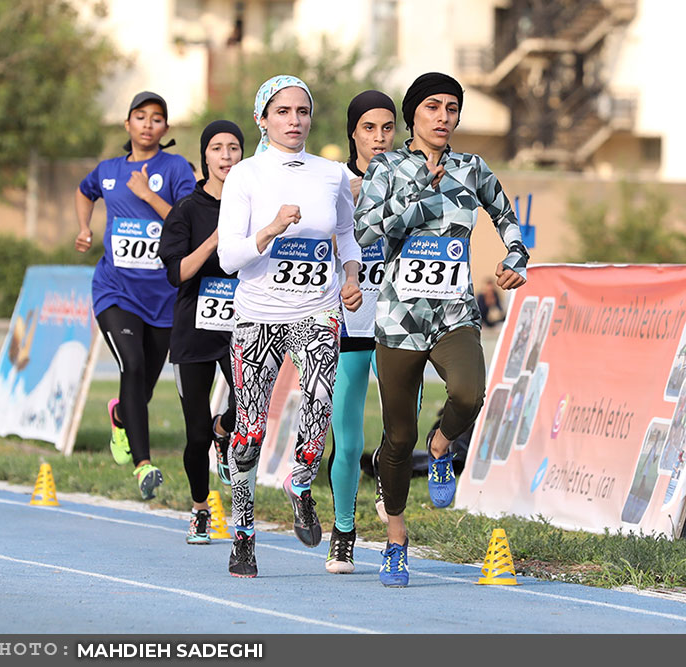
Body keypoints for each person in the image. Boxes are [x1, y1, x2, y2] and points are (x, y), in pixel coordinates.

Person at [355, 72, 529, 587]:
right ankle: (396, 540)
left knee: (469, 394)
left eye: (452, 108)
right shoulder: (386, 166)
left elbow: (505, 215)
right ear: (413, 115)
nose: (444, 117)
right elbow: (365, 232)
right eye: (433, 107)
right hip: (399, 317)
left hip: (454, 311)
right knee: (396, 434)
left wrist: (516, 255)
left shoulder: (471, 169)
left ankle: (440, 446)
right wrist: (418, 198)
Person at [217, 75, 363, 578]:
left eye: (302, 112)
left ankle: (300, 482)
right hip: (257, 314)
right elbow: (228, 256)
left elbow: (346, 233)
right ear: (262, 118)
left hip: (316, 310)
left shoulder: (331, 174)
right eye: (282, 112)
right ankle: (243, 536)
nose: (294, 121)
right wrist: (271, 230)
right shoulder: (245, 176)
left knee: (319, 408)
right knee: (250, 432)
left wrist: (350, 275)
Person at [75, 91, 196, 500]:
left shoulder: (176, 167)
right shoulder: (108, 170)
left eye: (157, 118)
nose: (147, 124)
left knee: (142, 386)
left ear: (166, 128)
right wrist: (85, 228)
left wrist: (147, 195)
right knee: (132, 364)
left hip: (162, 295)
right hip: (115, 290)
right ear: (127, 125)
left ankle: (121, 415)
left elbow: (185, 221)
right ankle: (143, 466)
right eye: (139, 117)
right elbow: (83, 190)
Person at [158, 119, 244, 544]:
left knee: (250, 409)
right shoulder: (187, 210)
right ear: (204, 156)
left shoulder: (252, 203)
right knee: (194, 435)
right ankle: (199, 509)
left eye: (233, 148)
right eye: (217, 148)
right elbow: (178, 273)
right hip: (194, 328)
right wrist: (215, 239)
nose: (226, 155)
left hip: (240, 326)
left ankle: (224, 428)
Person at [325, 90, 397, 573]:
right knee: (347, 442)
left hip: (397, 326)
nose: (378, 137)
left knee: (398, 434)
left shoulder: (413, 180)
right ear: (353, 131)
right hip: (349, 321)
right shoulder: (333, 182)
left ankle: (388, 497)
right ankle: (344, 532)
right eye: (369, 128)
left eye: (387, 128)